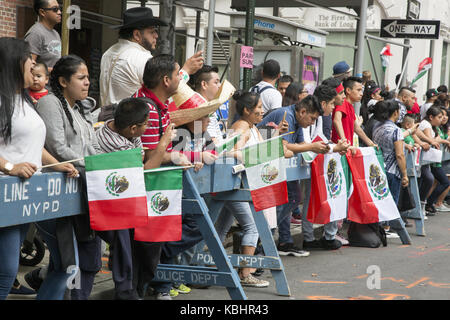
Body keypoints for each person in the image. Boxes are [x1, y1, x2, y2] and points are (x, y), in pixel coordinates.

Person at [0, 38, 77, 300]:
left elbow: (33, 143)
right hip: (7, 196)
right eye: (29, 60)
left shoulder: (23, 99)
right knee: (6, 272)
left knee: (8, 269)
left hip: (29, 194)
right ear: (12, 63)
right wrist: (10, 167)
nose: (34, 65)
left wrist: (55, 163)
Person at [35, 54, 103, 300]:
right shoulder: (50, 103)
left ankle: (42, 281)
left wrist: (102, 164)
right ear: (63, 81)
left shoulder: (76, 108)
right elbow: (57, 147)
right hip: (57, 191)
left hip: (80, 190)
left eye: (88, 78)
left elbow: (91, 147)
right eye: (81, 78)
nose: (87, 83)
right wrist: (94, 166)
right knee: (67, 262)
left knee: (66, 262)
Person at [95, 97, 174, 300]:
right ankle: (127, 291)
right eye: (146, 124)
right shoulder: (113, 143)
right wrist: (163, 142)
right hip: (110, 204)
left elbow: (140, 160)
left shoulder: (125, 133)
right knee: (130, 245)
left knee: (149, 242)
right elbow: (144, 171)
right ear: (132, 128)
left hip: (129, 199)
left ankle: (135, 288)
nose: (147, 128)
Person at [258, 95, 330, 256]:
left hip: (275, 166)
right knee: (291, 197)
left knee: (292, 197)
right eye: (312, 119)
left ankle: (279, 238)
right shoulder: (286, 116)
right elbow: (285, 148)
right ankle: (263, 236)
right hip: (263, 165)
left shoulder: (296, 120)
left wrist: (324, 147)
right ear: (303, 111)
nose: (312, 123)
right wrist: (311, 146)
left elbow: (298, 146)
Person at [100, 6, 203, 107]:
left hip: (107, 119)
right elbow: (164, 92)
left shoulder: (108, 53)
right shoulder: (141, 58)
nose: (156, 36)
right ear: (137, 35)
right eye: (152, 31)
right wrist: (186, 71)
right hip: (133, 121)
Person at [301, 85, 351, 250]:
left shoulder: (322, 118)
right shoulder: (308, 117)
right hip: (310, 163)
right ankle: (307, 238)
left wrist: (334, 146)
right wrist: (334, 147)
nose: (333, 107)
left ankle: (322, 236)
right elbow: (309, 142)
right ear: (323, 103)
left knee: (329, 196)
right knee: (307, 199)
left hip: (321, 162)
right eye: (331, 104)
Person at [372, 100, 412, 244]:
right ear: (395, 113)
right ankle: (386, 228)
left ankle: (379, 227)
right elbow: (400, 155)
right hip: (392, 170)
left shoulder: (377, 126)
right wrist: (405, 174)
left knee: (380, 198)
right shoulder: (396, 130)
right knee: (391, 200)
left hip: (378, 168)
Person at [417, 106, 450, 216]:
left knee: (430, 180)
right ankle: (426, 204)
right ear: (431, 117)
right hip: (425, 160)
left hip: (429, 160)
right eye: (440, 117)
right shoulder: (426, 125)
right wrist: (443, 140)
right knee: (431, 180)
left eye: (444, 116)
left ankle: (425, 205)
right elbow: (431, 141)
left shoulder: (434, 127)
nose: (442, 119)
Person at [331, 76, 376, 147]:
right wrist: (344, 142)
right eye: (358, 90)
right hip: (340, 150)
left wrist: (371, 143)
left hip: (347, 149)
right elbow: (336, 120)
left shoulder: (350, 106)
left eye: (362, 90)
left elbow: (357, 128)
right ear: (348, 90)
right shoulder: (342, 103)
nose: (361, 94)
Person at [188, 65, 223, 145]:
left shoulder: (209, 106)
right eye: (216, 82)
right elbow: (212, 144)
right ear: (204, 84)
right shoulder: (198, 108)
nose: (220, 86)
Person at [24, 0, 62, 71]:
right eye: (55, 9)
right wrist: (55, 71)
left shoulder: (56, 33)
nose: (59, 12)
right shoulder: (35, 33)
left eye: (59, 9)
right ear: (42, 12)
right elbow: (29, 66)